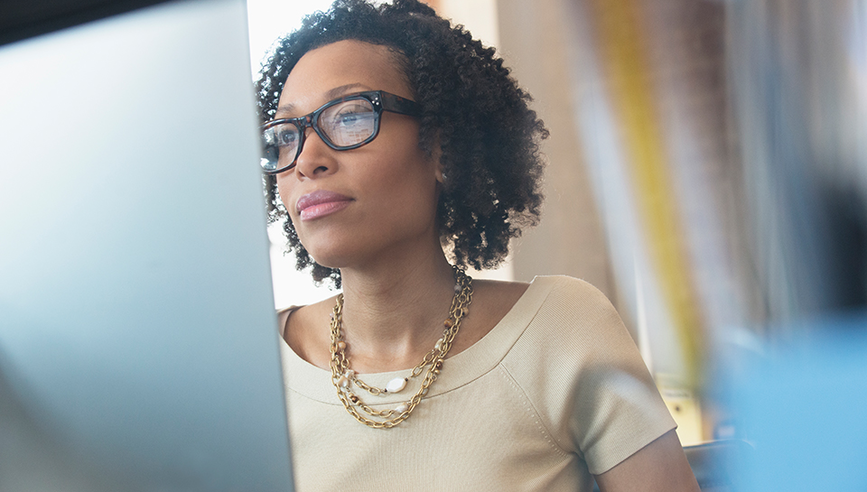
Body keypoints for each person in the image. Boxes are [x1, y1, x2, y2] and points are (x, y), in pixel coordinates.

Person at [255, 0, 699, 490]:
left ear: (442, 149)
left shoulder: (563, 329)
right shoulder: (253, 366)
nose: (306, 159)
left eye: (351, 117)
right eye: (285, 135)